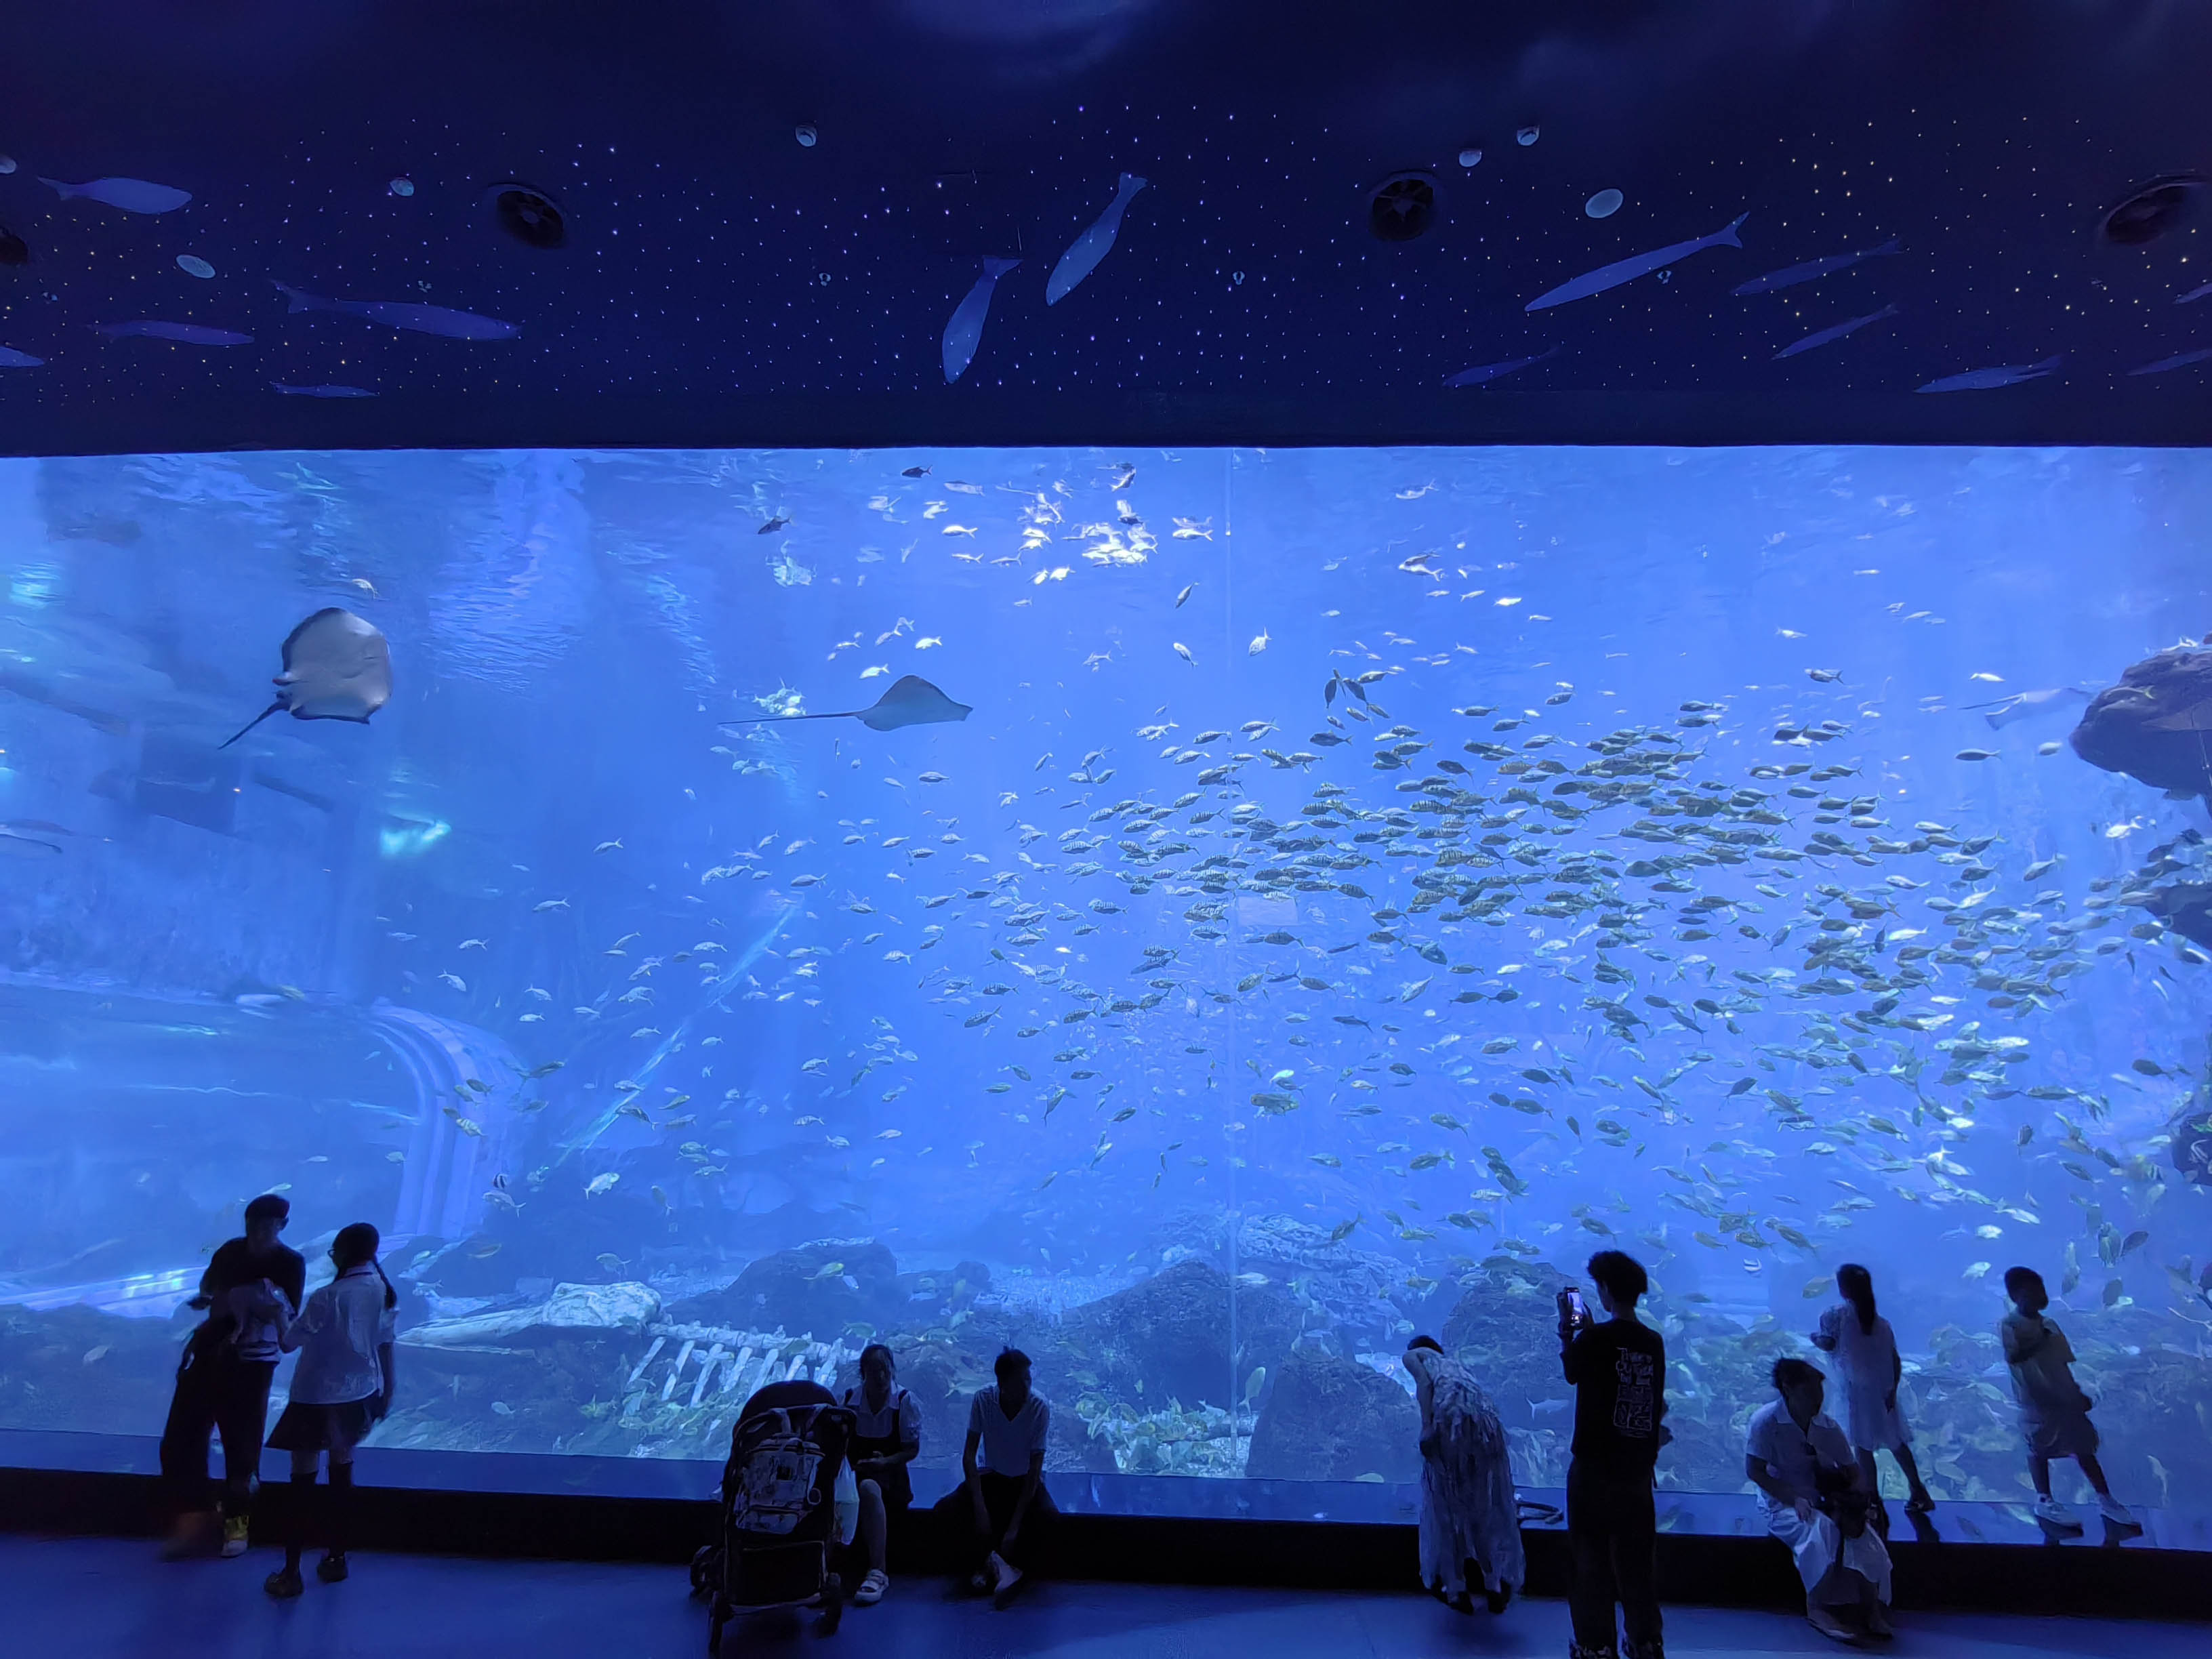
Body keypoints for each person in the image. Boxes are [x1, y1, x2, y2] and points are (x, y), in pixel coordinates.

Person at [158, 1193, 306, 1559]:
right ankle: (193, 1517)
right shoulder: (229, 1251)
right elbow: (208, 1289)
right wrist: (215, 1301)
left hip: (253, 1363)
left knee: (242, 1445)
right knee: (181, 1436)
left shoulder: (291, 1262)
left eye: (267, 1226)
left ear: (282, 1225)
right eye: (252, 1225)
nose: (258, 1233)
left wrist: (246, 1301)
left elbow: (288, 1314)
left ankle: (237, 1524)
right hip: (211, 1352)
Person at [260, 1222, 398, 1598]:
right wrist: (388, 1391)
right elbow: (386, 1344)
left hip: (316, 1399)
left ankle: (291, 1572)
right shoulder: (382, 1290)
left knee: (301, 1484)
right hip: (360, 1394)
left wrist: (278, 1309)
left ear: (341, 1253)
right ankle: (337, 1558)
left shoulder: (327, 1296)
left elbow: (289, 1342)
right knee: (341, 1476)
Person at [1557, 1249, 1666, 1659]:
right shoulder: (1653, 1342)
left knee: (1589, 1559)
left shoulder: (1595, 1338)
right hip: (1636, 1470)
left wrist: (1569, 1334)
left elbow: (1572, 1372)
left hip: (1594, 1468)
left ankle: (1595, 1645)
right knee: (1637, 1563)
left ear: (1603, 1289)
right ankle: (1645, 1642)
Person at [1746, 1357, 1893, 1643]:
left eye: (1819, 1390)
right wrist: (1795, 1499)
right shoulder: (1766, 1423)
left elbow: (1853, 1470)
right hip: (1781, 1503)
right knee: (1822, 1530)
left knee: (1862, 1536)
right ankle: (1817, 1608)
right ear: (1788, 1389)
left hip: (1824, 1499)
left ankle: (1872, 1610)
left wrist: (1858, 1500)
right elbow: (1755, 1471)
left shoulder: (1827, 1427)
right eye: (1809, 1391)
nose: (1817, 1398)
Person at [1999, 1266, 2139, 1536]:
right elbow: (2014, 1357)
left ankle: (2105, 1499)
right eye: (2031, 1292)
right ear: (2016, 1296)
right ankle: (2044, 1499)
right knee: (2038, 1448)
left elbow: (2063, 1363)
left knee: (2083, 1447)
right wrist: (2040, 1340)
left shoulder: (2050, 1324)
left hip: (2064, 1396)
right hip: (2035, 1400)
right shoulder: (2010, 1325)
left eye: (2040, 1290)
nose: (2038, 1296)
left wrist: (2076, 1392)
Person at [1404, 1334, 1523, 1616]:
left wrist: (1427, 1426)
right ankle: (1494, 1585)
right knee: (1483, 1507)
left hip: (1451, 1419)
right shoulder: (1454, 1365)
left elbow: (1424, 1385)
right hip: (1485, 1424)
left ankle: (1456, 1588)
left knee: (1446, 1506)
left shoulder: (1414, 1355)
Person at [1810, 1265, 1935, 1527]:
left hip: (1855, 1393)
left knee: (1862, 1447)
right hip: (1883, 1393)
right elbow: (1895, 1359)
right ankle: (1919, 1491)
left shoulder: (1835, 1315)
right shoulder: (1882, 1323)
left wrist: (1814, 1338)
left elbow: (1828, 1344)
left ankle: (1873, 1500)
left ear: (1843, 1289)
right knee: (1896, 1442)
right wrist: (1893, 1390)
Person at [933, 1347, 1054, 1605]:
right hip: (992, 1476)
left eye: (1028, 1379)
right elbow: (969, 1456)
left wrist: (1015, 1526)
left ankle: (1005, 1567)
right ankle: (991, 1564)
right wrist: (980, 1507)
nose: (1027, 1387)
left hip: (1025, 1481)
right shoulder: (984, 1400)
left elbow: (1035, 1469)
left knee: (1049, 1518)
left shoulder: (1039, 1407)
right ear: (1002, 1384)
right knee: (945, 1509)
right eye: (1020, 1381)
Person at [840, 1343, 920, 1607]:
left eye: (885, 1370)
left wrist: (884, 1462)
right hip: (854, 1478)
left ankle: (878, 1571)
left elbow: (912, 1449)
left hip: (891, 1482)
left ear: (892, 1370)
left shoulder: (904, 1402)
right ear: (863, 1373)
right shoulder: (849, 1401)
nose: (881, 1377)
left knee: (868, 1488)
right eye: (874, 1371)